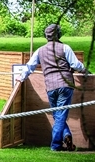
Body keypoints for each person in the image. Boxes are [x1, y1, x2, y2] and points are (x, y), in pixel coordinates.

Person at [17, 24, 87, 152]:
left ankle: (66, 136)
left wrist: (21, 78)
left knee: (57, 115)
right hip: (65, 85)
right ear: (59, 35)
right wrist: (85, 70)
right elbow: (75, 65)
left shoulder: (40, 50)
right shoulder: (65, 47)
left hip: (50, 86)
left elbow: (29, 66)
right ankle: (56, 145)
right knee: (59, 116)